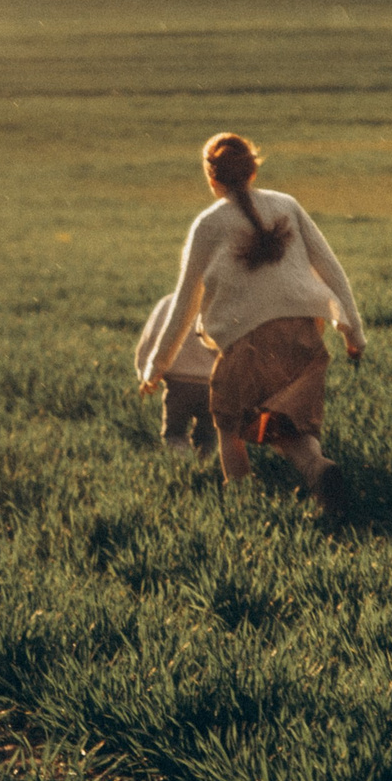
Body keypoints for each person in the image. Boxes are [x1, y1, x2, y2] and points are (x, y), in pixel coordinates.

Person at [141, 133, 366, 516]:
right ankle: (318, 470)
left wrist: (156, 366)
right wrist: (353, 332)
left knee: (230, 426)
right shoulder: (286, 204)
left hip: (247, 343)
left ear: (212, 178)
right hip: (303, 336)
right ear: (253, 170)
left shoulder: (208, 223)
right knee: (290, 426)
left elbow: (184, 303)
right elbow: (331, 269)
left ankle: (243, 507)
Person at [134, 293, 217, 458]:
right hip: (212, 386)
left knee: (174, 433)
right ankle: (204, 463)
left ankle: (181, 461)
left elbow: (151, 338)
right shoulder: (220, 303)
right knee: (208, 435)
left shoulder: (169, 303)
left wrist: (145, 373)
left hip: (178, 385)